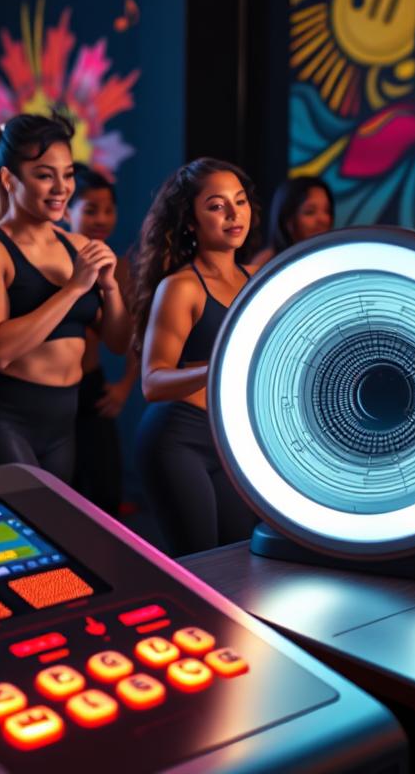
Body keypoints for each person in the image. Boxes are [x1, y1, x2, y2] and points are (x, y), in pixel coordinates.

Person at [0, 115, 130, 481]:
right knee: (21, 535)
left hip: (61, 423)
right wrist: (74, 289)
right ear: (8, 179)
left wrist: (109, 288)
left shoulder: (77, 246)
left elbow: (118, 341)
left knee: (55, 535)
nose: (61, 188)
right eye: (45, 175)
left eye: (67, 175)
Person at [132, 158, 260, 556]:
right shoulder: (181, 287)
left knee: (242, 562)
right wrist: (219, 365)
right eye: (216, 205)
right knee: (200, 565)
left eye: (239, 201)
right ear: (191, 220)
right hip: (177, 439)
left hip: (230, 440)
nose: (233, 214)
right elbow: (152, 383)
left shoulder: (258, 278)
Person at [66, 165, 136, 514]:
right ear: (67, 210)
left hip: (93, 387)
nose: (101, 218)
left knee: (106, 493)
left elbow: (135, 336)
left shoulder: (120, 267)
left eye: (108, 210)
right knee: (63, 494)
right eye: (90, 209)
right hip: (51, 391)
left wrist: (124, 386)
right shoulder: (54, 259)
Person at [250, 176, 333, 267]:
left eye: (327, 210)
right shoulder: (266, 265)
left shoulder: (335, 256)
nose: (323, 219)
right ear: (288, 220)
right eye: (310, 212)